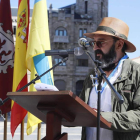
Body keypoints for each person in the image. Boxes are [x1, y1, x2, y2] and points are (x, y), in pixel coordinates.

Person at [79, 17, 140, 140]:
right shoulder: (92, 75)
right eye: (93, 43)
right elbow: (80, 110)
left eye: (100, 42)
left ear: (119, 44)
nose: (95, 47)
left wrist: (103, 117)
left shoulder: (136, 73)